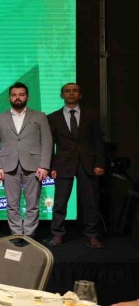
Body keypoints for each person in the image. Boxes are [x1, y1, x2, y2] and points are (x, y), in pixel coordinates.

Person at [47, 83, 106, 248]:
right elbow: (49, 145)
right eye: (67, 91)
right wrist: (51, 166)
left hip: (88, 163)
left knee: (90, 201)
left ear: (80, 95)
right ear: (62, 95)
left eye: (75, 91)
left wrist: (100, 163)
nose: (71, 93)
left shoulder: (91, 115)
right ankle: (57, 234)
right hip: (62, 164)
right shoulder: (53, 117)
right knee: (60, 202)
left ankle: (92, 235)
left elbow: (98, 141)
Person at [0, 82, 52, 236]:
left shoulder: (39, 116)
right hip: (8, 166)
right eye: (14, 95)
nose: (17, 97)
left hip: (34, 166)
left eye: (21, 94)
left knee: (33, 204)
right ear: (9, 98)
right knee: (12, 205)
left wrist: (44, 166)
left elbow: (47, 142)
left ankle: (29, 236)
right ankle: (17, 235)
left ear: (27, 97)